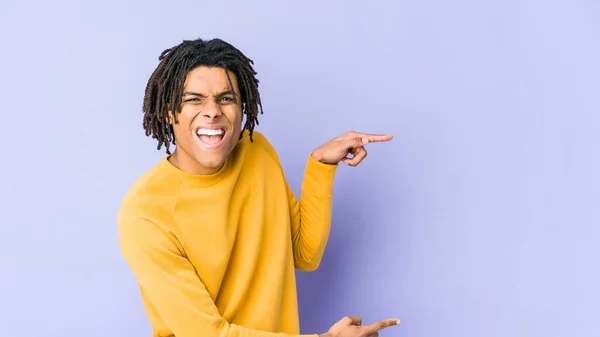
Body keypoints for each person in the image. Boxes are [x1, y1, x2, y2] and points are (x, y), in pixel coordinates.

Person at [117, 37, 400, 337]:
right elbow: (207, 333)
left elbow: (305, 254)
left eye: (226, 98)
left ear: (243, 109)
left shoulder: (257, 152)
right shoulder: (145, 212)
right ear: (168, 112)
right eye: (194, 99)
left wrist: (321, 166)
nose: (212, 111)